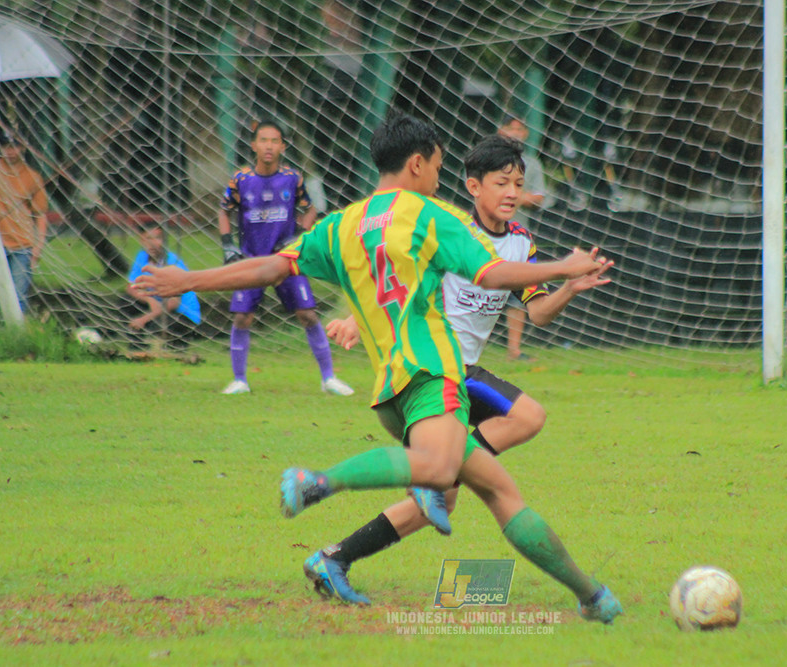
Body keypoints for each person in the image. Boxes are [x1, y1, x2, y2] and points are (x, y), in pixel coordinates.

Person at [134, 113, 621, 624]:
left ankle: (592, 597)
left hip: (390, 390)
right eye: (436, 165)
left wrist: (189, 281)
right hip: (434, 374)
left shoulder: (342, 225)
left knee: (496, 490)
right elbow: (492, 273)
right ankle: (319, 481)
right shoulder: (430, 214)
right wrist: (564, 267)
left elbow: (270, 266)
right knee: (438, 471)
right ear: (416, 163)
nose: (439, 176)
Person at [304, 133, 613, 611]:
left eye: (518, 183)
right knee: (528, 416)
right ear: (473, 186)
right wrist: (352, 317)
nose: (511, 192)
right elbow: (391, 278)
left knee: (443, 503)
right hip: (439, 370)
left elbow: (538, 315)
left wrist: (569, 288)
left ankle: (336, 557)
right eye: (501, 183)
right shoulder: (446, 230)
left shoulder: (522, 243)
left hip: (462, 375)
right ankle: (446, 470)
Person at [218, 120, 354, 395]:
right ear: (254, 145)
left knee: (307, 314)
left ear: (282, 146)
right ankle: (239, 380)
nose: (269, 146)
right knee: (242, 318)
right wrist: (227, 245)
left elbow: (310, 209)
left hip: (286, 260)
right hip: (252, 259)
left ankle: (328, 378)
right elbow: (224, 210)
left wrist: (300, 237)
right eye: (263, 140)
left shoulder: (292, 179)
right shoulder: (241, 179)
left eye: (274, 141)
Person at [0, 127, 49, 313]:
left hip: (23, 245)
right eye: (5, 146)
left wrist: (38, 247)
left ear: (22, 148)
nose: (9, 151)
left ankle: (17, 336)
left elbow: (40, 214)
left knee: (18, 299)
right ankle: (2, 331)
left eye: (14, 146)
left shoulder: (32, 176)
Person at [498, 116, 548, 360]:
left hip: (518, 236)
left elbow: (538, 197)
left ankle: (514, 351)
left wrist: (515, 197)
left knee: (519, 294)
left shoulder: (533, 164)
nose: (516, 133)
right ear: (501, 130)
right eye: (511, 128)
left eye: (520, 129)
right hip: (488, 236)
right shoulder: (490, 161)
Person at [125, 223, 201, 349]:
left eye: (157, 238)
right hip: (159, 308)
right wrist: (150, 300)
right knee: (125, 301)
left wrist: (145, 318)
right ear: (141, 240)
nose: (153, 243)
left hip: (181, 314)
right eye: (148, 238)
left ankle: (175, 346)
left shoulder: (172, 262)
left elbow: (174, 302)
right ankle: (134, 346)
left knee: (160, 324)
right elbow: (130, 287)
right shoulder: (142, 257)